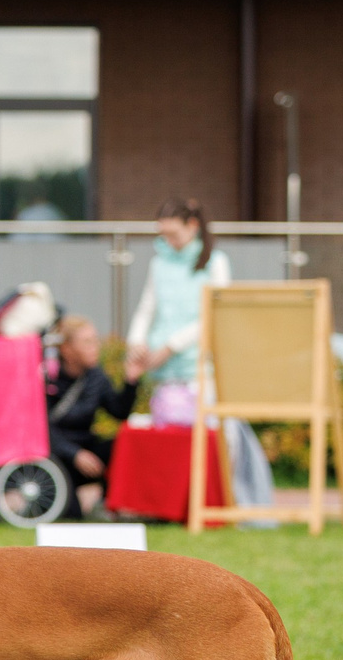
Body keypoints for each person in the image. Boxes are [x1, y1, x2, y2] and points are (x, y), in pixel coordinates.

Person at [124, 196, 232, 416]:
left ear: (192, 226)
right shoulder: (159, 263)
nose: (169, 241)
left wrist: (171, 346)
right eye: (164, 236)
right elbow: (147, 308)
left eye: (173, 235)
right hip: (164, 370)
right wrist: (136, 342)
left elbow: (215, 315)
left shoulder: (216, 262)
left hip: (201, 369)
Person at [45, 315, 136, 515]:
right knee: (72, 515)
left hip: (86, 448)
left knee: (120, 445)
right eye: (87, 342)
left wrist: (131, 381)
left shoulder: (96, 376)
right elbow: (41, 428)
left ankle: (110, 504)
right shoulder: (47, 379)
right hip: (57, 455)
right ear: (66, 349)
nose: (95, 346)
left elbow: (119, 412)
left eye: (95, 340)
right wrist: (75, 454)